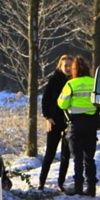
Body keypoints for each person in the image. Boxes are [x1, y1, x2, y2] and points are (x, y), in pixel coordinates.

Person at [56, 56, 98, 196]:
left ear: (74, 70)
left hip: (75, 124)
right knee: (89, 158)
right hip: (91, 124)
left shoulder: (71, 85)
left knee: (77, 158)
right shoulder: (95, 83)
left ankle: (78, 187)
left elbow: (62, 104)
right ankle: (91, 188)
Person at [39, 55, 73, 190]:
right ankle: (41, 182)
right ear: (60, 66)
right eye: (66, 65)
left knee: (66, 154)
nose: (68, 68)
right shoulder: (53, 80)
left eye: (70, 65)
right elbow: (45, 100)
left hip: (69, 122)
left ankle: (61, 183)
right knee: (50, 153)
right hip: (54, 121)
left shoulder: (75, 81)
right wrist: (47, 117)